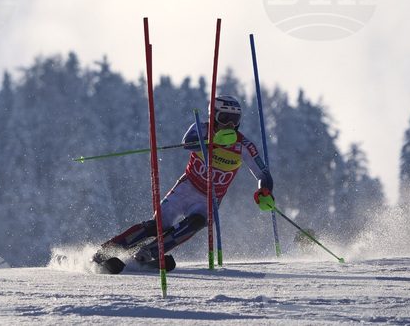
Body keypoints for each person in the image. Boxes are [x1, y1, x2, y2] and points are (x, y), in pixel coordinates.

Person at [92, 95, 274, 273]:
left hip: (209, 199)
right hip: (186, 188)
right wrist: (211, 142)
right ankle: (104, 253)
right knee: (157, 226)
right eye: (224, 118)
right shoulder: (201, 129)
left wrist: (264, 190)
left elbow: (263, 173)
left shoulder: (243, 145)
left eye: (234, 119)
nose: (229, 124)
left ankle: (147, 254)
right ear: (213, 117)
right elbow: (188, 143)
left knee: (196, 222)